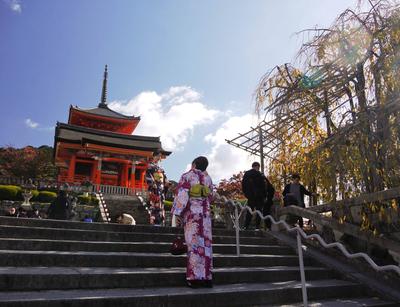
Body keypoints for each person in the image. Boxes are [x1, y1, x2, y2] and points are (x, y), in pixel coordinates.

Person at [171, 156, 213, 288]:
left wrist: (177, 213)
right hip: (205, 216)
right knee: (206, 247)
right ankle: (207, 278)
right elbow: (210, 197)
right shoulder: (208, 178)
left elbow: (183, 195)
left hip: (192, 216)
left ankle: (194, 278)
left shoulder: (187, 176)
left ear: (194, 164)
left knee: (194, 246)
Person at [241, 162, 267, 230]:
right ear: (257, 166)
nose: (258, 168)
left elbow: (244, 185)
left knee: (250, 211)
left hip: (251, 196)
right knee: (259, 211)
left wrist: (247, 194)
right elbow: (264, 186)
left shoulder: (247, 174)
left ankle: (246, 226)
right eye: (258, 167)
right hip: (259, 196)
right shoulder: (260, 175)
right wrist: (264, 196)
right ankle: (257, 227)